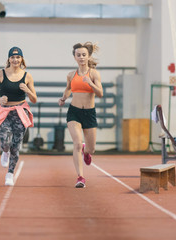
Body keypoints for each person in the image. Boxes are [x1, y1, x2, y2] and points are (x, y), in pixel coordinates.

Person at [0, 46, 37, 186]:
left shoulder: (27, 76)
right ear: (9, 59)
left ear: (21, 59)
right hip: (5, 112)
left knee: (16, 146)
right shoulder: (1, 74)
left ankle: (9, 174)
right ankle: (5, 152)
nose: (15, 59)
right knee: (5, 141)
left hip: (20, 113)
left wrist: (27, 90)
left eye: (18, 57)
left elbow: (34, 99)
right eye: (12, 57)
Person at [58, 42, 103, 188]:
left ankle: (86, 152)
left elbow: (100, 94)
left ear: (88, 56)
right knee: (77, 143)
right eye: (79, 55)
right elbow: (68, 89)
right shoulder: (71, 75)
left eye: (84, 55)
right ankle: (80, 177)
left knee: (91, 149)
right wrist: (63, 98)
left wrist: (90, 82)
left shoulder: (94, 74)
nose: (81, 57)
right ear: (75, 57)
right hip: (74, 112)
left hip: (89, 113)